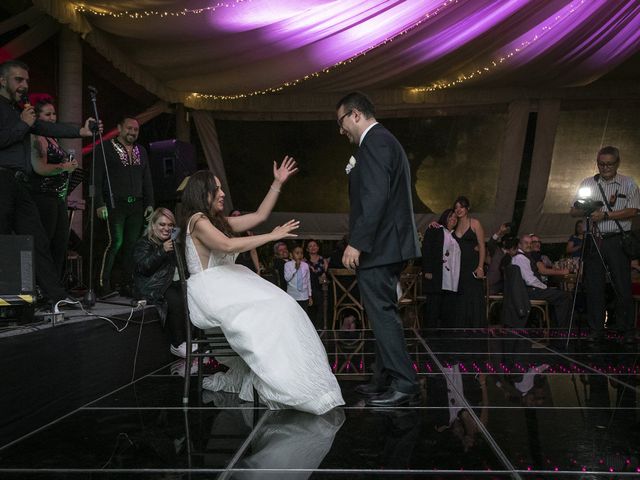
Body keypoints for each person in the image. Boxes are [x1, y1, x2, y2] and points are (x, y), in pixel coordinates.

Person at [180, 158, 344, 415]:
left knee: (285, 305)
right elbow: (228, 246)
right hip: (212, 288)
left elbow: (259, 216)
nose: (223, 194)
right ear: (204, 193)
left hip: (229, 282)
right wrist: (272, 236)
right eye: (218, 189)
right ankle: (278, 377)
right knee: (273, 310)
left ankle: (291, 374)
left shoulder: (217, 221)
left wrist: (277, 183)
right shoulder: (197, 220)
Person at [336, 91, 421, 408]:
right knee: (378, 312)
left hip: (382, 245)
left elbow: (375, 197)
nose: (340, 129)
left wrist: (357, 242)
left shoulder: (375, 142)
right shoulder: (378, 142)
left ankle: (405, 382)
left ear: (355, 114)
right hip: (388, 243)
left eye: (341, 121)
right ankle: (382, 377)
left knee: (383, 314)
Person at [0, 60, 100, 306]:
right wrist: (23, 124)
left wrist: (81, 131)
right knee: (3, 241)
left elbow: (46, 126)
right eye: (18, 80)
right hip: (1, 179)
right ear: (2, 81)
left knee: (37, 239)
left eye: (26, 80)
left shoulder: (19, 110)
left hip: (19, 183)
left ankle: (55, 296)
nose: (24, 85)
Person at [570, 146, 639, 343]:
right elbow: (573, 212)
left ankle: (625, 330)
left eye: (609, 164)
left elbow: (633, 210)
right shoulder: (588, 183)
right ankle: (596, 330)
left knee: (622, 285)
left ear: (617, 163)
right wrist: (586, 207)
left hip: (617, 239)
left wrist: (605, 214)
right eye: (601, 164)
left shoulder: (628, 183)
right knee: (593, 286)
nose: (605, 167)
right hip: (594, 239)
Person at [96, 115, 154, 297]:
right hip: (115, 204)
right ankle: (102, 284)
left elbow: (147, 179)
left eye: (136, 129)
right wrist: (99, 203)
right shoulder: (105, 148)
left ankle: (126, 283)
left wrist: (150, 203)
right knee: (114, 243)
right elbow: (96, 178)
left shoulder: (141, 151)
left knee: (132, 246)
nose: (133, 132)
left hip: (136, 204)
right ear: (119, 128)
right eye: (129, 128)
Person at [28, 94, 78, 281]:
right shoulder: (37, 137)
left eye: (54, 114)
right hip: (44, 197)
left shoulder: (53, 139)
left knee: (60, 244)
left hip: (58, 198)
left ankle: (55, 288)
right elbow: (39, 167)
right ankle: (41, 287)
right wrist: (64, 167)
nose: (52, 118)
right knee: (46, 244)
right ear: (38, 118)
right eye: (47, 115)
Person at [132, 208, 192, 358]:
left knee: (192, 297)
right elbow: (143, 267)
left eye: (170, 225)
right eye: (162, 224)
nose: (166, 228)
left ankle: (192, 340)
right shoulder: (144, 243)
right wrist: (162, 251)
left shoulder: (171, 243)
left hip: (171, 284)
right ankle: (178, 344)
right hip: (152, 286)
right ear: (153, 225)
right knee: (175, 299)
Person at [510, 235, 572, 328]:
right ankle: (562, 330)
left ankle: (556, 327)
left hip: (529, 290)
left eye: (530, 243)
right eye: (526, 243)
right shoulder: (521, 258)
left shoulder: (523, 257)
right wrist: (544, 287)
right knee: (565, 296)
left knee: (559, 295)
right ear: (519, 245)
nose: (529, 245)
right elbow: (530, 280)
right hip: (530, 291)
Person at [421, 208, 461, 327]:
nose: (453, 219)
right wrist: (427, 270)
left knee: (446, 310)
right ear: (445, 217)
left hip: (450, 280)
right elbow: (426, 249)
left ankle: (444, 338)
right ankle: (429, 337)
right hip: (436, 276)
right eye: (450, 217)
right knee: (433, 309)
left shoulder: (454, 236)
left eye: (455, 218)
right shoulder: (435, 229)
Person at [452, 196, 487, 327]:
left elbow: (482, 246)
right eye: (456, 207)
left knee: (473, 296)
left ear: (467, 208)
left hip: (472, 266)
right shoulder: (454, 224)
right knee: (460, 296)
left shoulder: (475, 223)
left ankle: (475, 328)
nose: (458, 210)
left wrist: (480, 267)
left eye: (461, 207)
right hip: (457, 268)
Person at [305, 239, 329, 329]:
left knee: (321, 303)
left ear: (318, 247)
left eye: (314, 245)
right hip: (308, 287)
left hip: (321, 287)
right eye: (310, 246)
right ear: (307, 249)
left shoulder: (323, 260)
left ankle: (319, 327)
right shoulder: (304, 261)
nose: (313, 247)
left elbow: (325, 274)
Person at [229, 209, 261, 273]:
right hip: (234, 266)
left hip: (248, 265)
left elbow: (253, 251)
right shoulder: (227, 232)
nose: (237, 217)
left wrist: (258, 269)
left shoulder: (248, 233)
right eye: (234, 215)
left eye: (239, 215)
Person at [284, 245, 313, 312]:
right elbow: (287, 278)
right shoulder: (287, 265)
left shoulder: (305, 265)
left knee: (304, 313)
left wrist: (310, 295)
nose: (299, 255)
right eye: (297, 253)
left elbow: (308, 280)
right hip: (293, 295)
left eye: (301, 253)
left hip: (304, 296)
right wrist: (295, 268)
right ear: (291, 254)